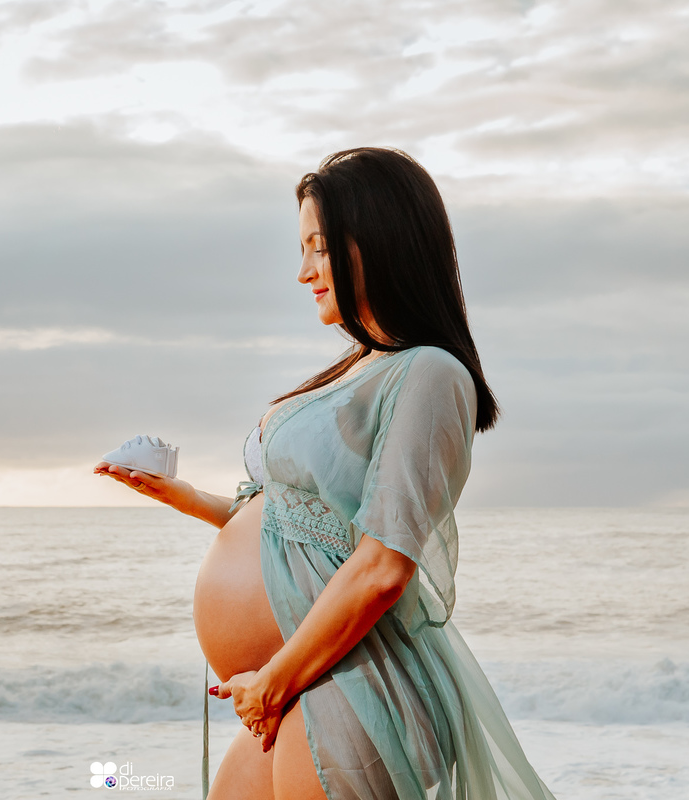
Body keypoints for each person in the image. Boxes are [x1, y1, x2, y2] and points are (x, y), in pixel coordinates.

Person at [95, 147, 557, 800]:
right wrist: (188, 498)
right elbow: (306, 526)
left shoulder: (429, 373)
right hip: (302, 680)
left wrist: (275, 679)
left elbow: (381, 565)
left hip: (358, 682)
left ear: (377, 242)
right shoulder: (354, 368)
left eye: (319, 247)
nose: (304, 271)